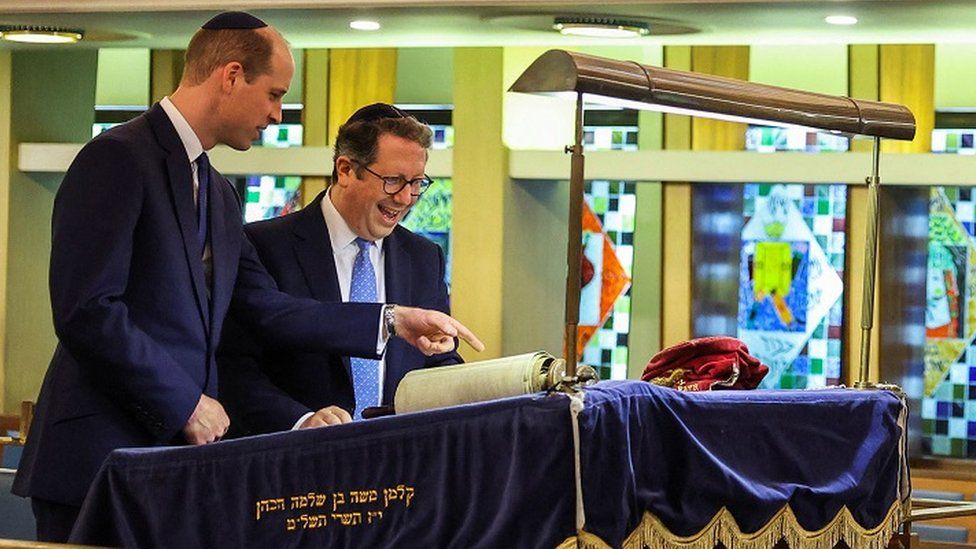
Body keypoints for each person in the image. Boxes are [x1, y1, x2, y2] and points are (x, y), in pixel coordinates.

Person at [12, 12, 482, 543]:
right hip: (99, 460)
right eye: (274, 94)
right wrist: (185, 403)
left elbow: (267, 308)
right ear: (232, 76)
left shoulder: (217, 190)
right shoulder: (117, 157)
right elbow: (88, 310)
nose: (277, 114)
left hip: (175, 467)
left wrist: (392, 318)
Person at [218, 104, 461, 433]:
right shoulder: (263, 246)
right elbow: (234, 369)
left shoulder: (423, 257)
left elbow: (436, 364)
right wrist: (301, 421)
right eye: (393, 181)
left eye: (417, 183)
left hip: (399, 465)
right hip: (294, 460)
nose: (406, 198)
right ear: (346, 170)